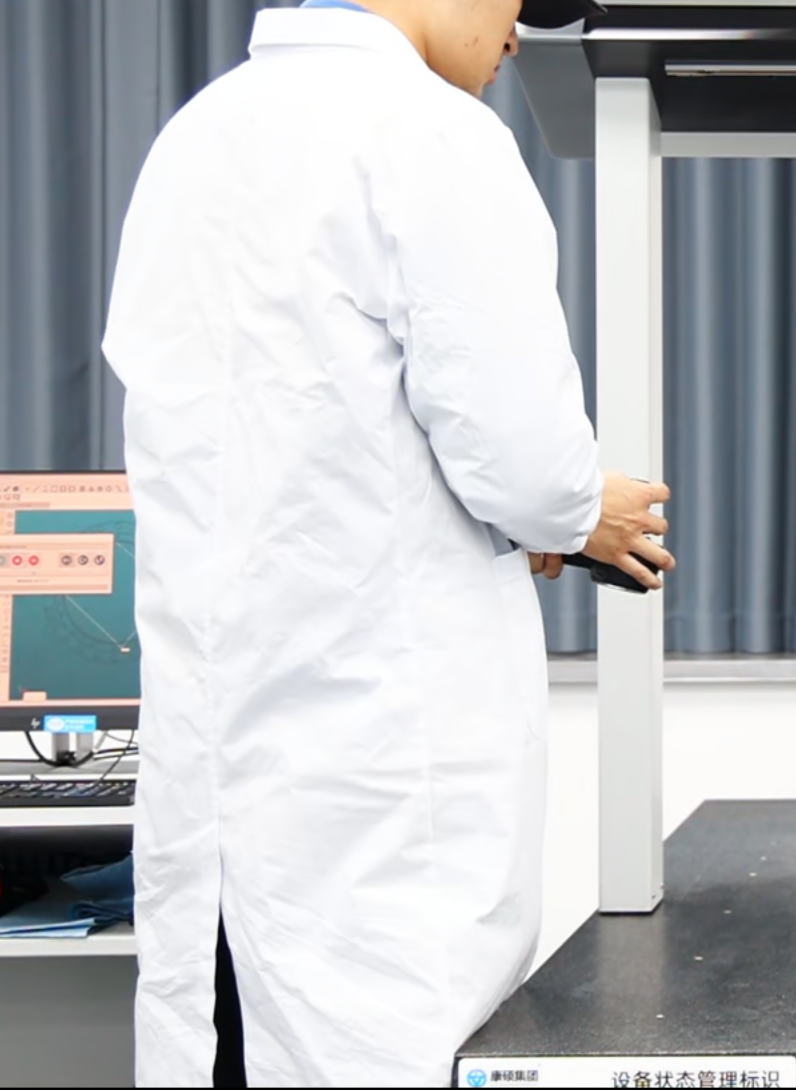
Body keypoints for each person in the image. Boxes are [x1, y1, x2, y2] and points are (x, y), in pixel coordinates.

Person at [100, 0, 669, 1084]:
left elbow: (289, 454)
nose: (517, 33)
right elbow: (526, 464)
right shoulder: (431, 135)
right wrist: (575, 511)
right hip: (377, 814)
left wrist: (516, 514)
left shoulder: (197, 139)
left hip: (217, 800)